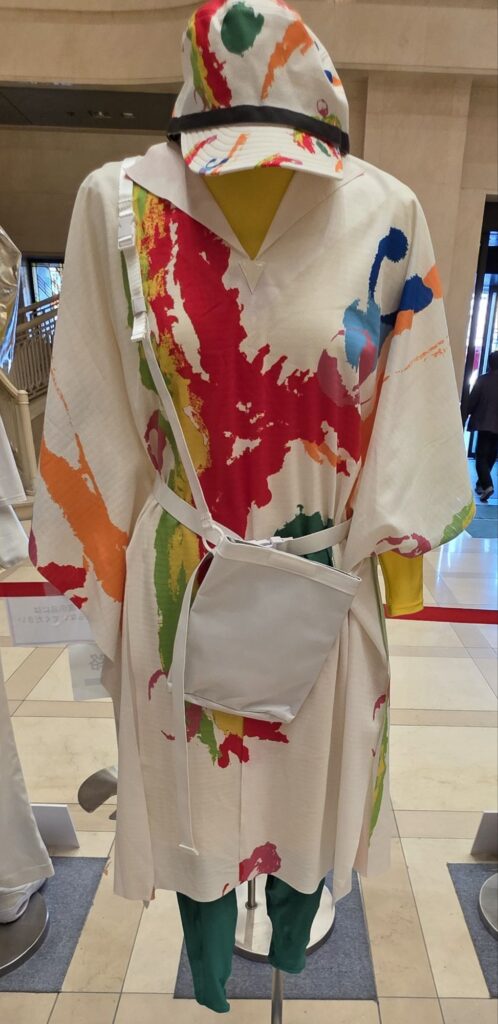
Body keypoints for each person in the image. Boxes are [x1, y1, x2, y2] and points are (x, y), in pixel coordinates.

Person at [464, 350, 498, 502]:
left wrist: (464, 415)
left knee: (481, 456)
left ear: (490, 364)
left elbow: (472, 401)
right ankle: (481, 484)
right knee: (491, 455)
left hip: (484, 423)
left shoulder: (483, 380)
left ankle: (487, 485)